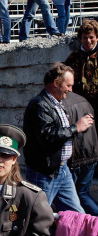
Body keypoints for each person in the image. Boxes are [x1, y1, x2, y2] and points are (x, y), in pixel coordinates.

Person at [23, 62, 94, 213]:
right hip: (44, 173)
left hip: (62, 170)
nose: (70, 89)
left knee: (77, 215)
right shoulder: (40, 105)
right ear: (56, 83)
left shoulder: (57, 103)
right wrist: (76, 127)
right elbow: (47, 136)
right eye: (68, 85)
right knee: (37, 216)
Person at [62, 92, 98, 216]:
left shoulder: (61, 104)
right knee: (83, 193)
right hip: (90, 153)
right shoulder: (83, 100)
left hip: (76, 156)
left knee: (75, 195)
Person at [65, 19, 98, 127]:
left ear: (97, 37)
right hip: (80, 108)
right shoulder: (73, 59)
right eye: (85, 37)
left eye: (91, 37)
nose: (88, 41)